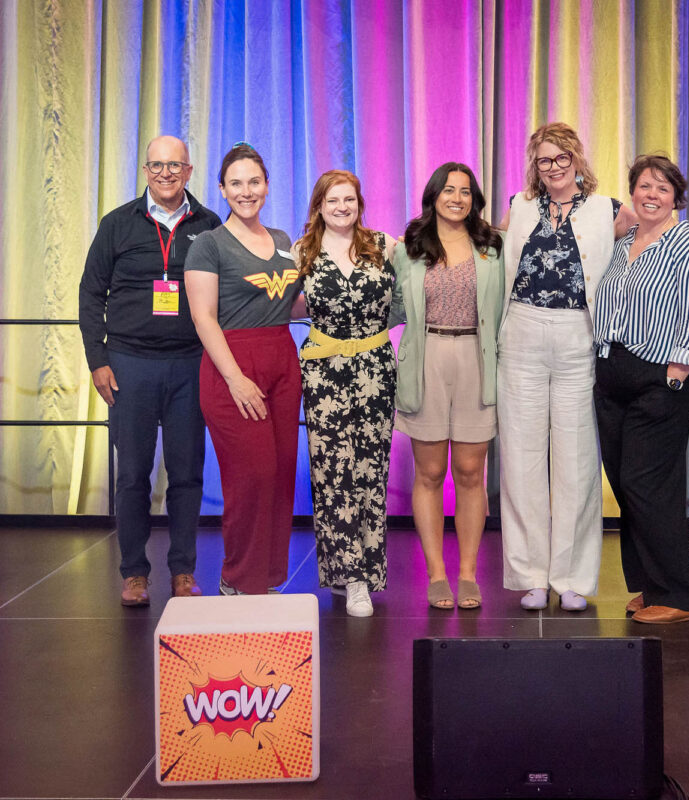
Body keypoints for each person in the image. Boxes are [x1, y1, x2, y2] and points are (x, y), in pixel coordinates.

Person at [496, 122, 637, 612]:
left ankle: (572, 577)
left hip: (579, 334)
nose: (554, 167)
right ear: (535, 166)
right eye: (544, 160)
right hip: (521, 332)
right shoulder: (519, 206)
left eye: (562, 158)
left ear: (577, 159)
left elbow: (656, 233)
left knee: (577, 461)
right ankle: (530, 576)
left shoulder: (608, 209)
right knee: (522, 459)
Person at [79, 135, 221, 606]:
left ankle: (183, 571)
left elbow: (226, 294)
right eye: (157, 165)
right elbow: (90, 293)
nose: (165, 173)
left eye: (174, 165)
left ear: (189, 170)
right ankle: (135, 573)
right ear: (145, 171)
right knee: (132, 475)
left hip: (190, 364)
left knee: (187, 474)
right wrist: (98, 361)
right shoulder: (117, 223)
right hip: (129, 365)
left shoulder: (209, 225)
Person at [593, 154, 689, 624]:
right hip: (611, 376)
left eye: (663, 188)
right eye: (645, 186)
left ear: (676, 198)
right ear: (633, 191)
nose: (652, 195)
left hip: (660, 379)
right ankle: (651, 586)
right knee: (624, 484)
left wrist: (676, 373)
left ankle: (682, 596)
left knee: (649, 485)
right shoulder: (622, 242)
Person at [184, 143, 303, 596]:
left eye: (254, 181)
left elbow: (288, 305)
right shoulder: (209, 244)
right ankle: (237, 578)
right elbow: (203, 318)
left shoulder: (283, 240)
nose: (246, 191)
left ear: (267, 186)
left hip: (282, 360)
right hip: (233, 366)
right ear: (221, 189)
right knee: (251, 477)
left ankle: (267, 579)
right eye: (236, 183)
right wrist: (235, 379)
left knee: (280, 474)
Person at [391, 163, 503, 611]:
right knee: (431, 472)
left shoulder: (492, 247)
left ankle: (468, 573)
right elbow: (390, 306)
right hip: (427, 358)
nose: (457, 198)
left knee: (472, 473)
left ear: (474, 199)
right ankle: (437, 574)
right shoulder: (409, 248)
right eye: (448, 190)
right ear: (433, 195)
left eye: (465, 191)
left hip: (477, 358)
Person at [294, 170, 398, 617]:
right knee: (333, 472)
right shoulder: (300, 252)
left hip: (375, 370)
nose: (342, 207)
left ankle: (366, 572)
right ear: (319, 206)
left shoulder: (384, 246)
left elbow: (405, 300)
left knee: (370, 470)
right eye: (333, 200)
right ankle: (348, 575)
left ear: (360, 203)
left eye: (349, 199)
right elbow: (285, 304)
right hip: (324, 373)